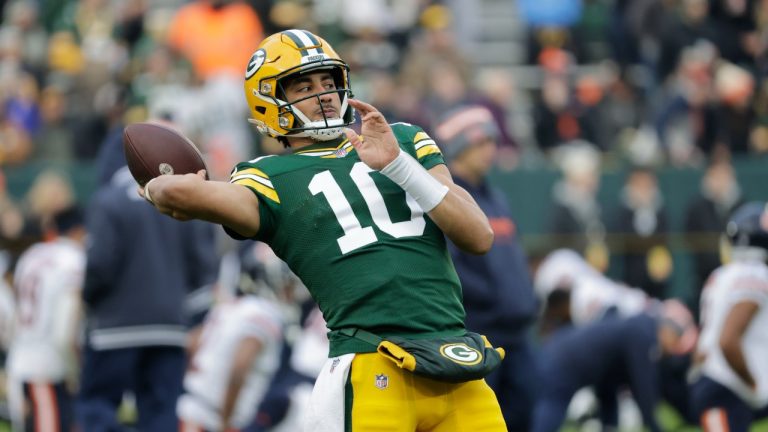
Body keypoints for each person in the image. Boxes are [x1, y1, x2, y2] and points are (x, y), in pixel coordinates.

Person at [138, 29, 506, 431]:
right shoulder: (267, 176)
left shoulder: (402, 139)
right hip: (372, 362)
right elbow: (179, 192)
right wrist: (162, 185)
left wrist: (398, 165)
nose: (324, 94)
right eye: (304, 86)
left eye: (329, 82)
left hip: (455, 358)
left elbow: (478, 236)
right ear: (269, 101)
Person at [76, 127, 219, 432]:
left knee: (97, 408)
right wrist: (195, 318)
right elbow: (203, 265)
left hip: (114, 328)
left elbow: (100, 265)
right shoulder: (181, 198)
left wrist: (88, 300)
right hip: (169, 327)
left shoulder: (108, 200)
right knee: (161, 415)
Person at [434, 105, 539, 430]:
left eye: (491, 142)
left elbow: (514, 259)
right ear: (459, 149)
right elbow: (452, 267)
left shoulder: (497, 198)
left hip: (517, 333)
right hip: (480, 333)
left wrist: (525, 298)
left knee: (524, 413)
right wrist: (495, 300)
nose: (490, 150)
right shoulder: (449, 200)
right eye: (480, 144)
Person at [531, 299, 699, 432]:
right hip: (563, 362)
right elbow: (643, 386)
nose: (671, 351)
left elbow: (609, 386)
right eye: (673, 343)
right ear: (667, 333)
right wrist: (655, 426)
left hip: (559, 352)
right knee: (551, 412)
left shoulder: (638, 329)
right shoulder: (643, 333)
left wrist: (609, 425)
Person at [5, 205, 86, 432]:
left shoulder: (32, 255)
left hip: (20, 363)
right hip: (48, 369)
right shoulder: (73, 259)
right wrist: (74, 369)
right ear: (79, 231)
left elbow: (14, 318)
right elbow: (63, 332)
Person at [689, 202, 768, 431]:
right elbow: (727, 340)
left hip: (714, 383)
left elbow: (706, 342)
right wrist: (753, 384)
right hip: (725, 386)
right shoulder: (755, 273)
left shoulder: (721, 275)